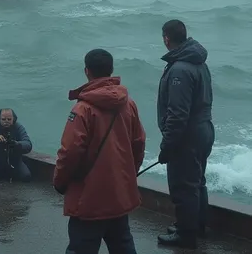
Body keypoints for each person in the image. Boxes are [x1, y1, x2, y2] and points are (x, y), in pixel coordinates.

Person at [53, 48, 146, 254]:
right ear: (111, 70)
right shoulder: (128, 103)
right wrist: (129, 175)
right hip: (119, 192)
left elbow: (69, 151)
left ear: (87, 71)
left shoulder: (83, 109)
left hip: (89, 196)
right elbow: (139, 143)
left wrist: (60, 181)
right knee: (122, 244)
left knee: (82, 246)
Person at [157, 20, 214, 250]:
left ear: (167, 39)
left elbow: (178, 114)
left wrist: (167, 145)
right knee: (197, 181)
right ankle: (196, 225)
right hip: (204, 129)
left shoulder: (180, 68)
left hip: (188, 136)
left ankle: (186, 234)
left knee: (184, 186)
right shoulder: (199, 62)